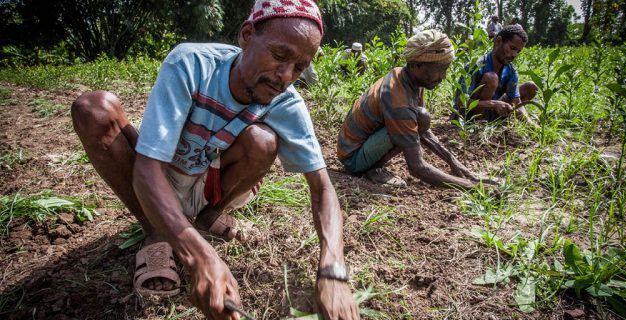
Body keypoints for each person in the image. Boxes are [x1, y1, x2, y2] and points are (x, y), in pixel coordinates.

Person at [70, 1, 359, 319]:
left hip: (209, 182)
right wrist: (197, 256)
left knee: (263, 141)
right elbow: (148, 167)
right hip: (158, 175)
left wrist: (333, 271)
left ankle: (209, 216)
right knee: (94, 108)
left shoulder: (286, 102)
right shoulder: (192, 64)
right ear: (247, 34)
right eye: (279, 56)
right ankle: (155, 231)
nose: (285, 77)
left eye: (300, 67)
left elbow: (323, 189)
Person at [336, 30, 491, 189]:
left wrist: (454, 163)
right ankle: (370, 169)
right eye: (440, 69)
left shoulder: (408, 78)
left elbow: (421, 127)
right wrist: (472, 186)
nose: (443, 76)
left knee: (421, 117)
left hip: (358, 145)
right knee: (413, 121)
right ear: (419, 65)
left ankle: (372, 164)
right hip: (353, 158)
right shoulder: (397, 97)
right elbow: (417, 167)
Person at [453, 25, 537, 124]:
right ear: (498, 42)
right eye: (512, 48)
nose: (514, 54)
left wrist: (533, 126)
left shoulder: (511, 71)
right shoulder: (475, 66)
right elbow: (461, 102)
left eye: (518, 51)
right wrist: (493, 104)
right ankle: (476, 123)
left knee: (531, 87)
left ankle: (496, 121)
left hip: (493, 111)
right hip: (468, 115)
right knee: (491, 78)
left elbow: (516, 102)